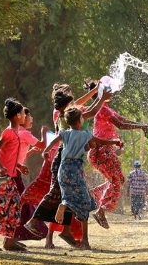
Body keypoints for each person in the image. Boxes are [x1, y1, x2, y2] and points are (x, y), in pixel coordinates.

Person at [23, 82, 110, 248]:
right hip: (64, 161)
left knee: (65, 196)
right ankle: (34, 221)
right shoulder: (66, 117)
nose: (75, 104)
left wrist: (96, 94)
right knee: (57, 194)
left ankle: (65, 231)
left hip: (63, 160)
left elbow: (87, 108)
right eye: (72, 103)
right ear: (66, 105)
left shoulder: (65, 115)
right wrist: (100, 97)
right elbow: (91, 111)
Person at [44, 105, 122, 249]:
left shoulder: (64, 133)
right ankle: (84, 240)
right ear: (80, 120)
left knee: (69, 195)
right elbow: (100, 142)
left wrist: (46, 151)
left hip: (64, 168)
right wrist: (115, 142)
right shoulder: (86, 134)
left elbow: (54, 141)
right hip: (76, 168)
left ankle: (65, 203)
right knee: (84, 202)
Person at [88, 93, 148, 229]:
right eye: (109, 90)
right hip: (101, 150)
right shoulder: (102, 109)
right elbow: (121, 125)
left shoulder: (106, 108)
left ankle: (94, 194)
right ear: (102, 93)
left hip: (106, 150)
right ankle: (101, 209)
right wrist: (142, 126)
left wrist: (142, 125)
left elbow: (122, 120)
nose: (112, 92)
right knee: (116, 181)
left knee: (119, 180)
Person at [0, 98, 27, 252]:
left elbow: (9, 156)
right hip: (0, 176)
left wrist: (19, 166)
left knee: (15, 203)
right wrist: (1, 167)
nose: (25, 116)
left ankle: (9, 241)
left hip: (9, 175)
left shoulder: (16, 133)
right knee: (0, 204)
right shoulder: (8, 132)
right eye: (23, 113)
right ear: (17, 116)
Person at [13, 107, 49, 242]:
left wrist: (32, 152)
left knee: (22, 202)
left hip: (15, 171)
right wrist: (44, 132)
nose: (31, 118)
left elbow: (18, 157)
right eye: (29, 116)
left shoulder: (18, 132)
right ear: (22, 118)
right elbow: (43, 144)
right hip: (13, 173)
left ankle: (15, 235)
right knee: (23, 202)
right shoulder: (24, 133)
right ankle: (15, 235)